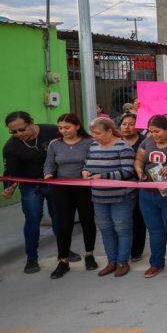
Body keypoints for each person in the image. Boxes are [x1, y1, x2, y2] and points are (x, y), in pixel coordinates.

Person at [3, 111, 64, 274]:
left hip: (54, 182)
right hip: (30, 186)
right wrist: (9, 187)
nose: (18, 134)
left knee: (59, 218)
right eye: (13, 132)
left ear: (31, 123)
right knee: (32, 220)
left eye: (21, 129)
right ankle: (31, 259)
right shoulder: (11, 147)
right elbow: (10, 171)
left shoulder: (52, 131)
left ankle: (64, 253)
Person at [134, 114, 167, 279]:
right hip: (148, 193)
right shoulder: (148, 141)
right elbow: (139, 158)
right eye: (150, 131)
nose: (153, 135)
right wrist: (138, 169)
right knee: (155, 230)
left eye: (157, 131)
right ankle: (156, 263)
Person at [43, 113, 97, 278]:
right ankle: (63, 260)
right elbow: (49, 163)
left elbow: (93, 161)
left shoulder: (89, 142)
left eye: (67, 127)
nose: (63, 131)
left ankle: (89, 255)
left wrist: (87, 171)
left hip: (83, 187)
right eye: (60, 128)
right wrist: (48, 174)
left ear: (77, 126)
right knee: (64, 224)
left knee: (87, 220)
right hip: (62, 189)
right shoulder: (55, 144)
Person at [82, 117, 137, 278]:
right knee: (105, 229)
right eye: (93, 132)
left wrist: (103, 176)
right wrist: (84, 171)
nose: (94, 136)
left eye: (98, 133)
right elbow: (87, 163)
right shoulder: (92, 146)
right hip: (98, 196)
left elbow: (127, 171)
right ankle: (111, 261)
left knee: (122, 229)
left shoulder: (123, 147)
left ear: (109, 131)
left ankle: (122, 261)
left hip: (120, 196)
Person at [119, 113, 147, 263]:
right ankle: (122, 250)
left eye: (131, 124)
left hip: (141, 186)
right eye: (124, 124)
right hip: (120, 187)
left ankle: (136, 251)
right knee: (122, 220)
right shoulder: (116, 142)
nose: (127, 127)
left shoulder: (145, 141)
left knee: (138, 218)